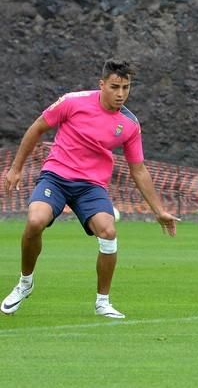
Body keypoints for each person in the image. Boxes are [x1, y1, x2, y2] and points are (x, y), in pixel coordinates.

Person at [1, 59, 180, 319]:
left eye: (126, 88)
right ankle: (25, 283)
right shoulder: (73, 101)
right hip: (56, 177)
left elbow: (138, 169)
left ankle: (102, 302)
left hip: (91, 187)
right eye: (115, 87)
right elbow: (37, 127)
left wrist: (159, 210)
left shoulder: (129, 124)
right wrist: (15, 168)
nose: (120, 94)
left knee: (108, 232)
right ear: (102, 84)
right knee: (35, 220)